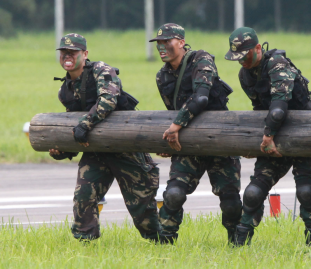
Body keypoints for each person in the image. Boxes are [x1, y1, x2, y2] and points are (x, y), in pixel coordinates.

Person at [49, 33, 163, 241]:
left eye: (73, 52)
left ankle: (162, 243)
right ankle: (87, 247)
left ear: (84, 54)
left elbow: (109, 99)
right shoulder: (65, 90)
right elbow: (76, 132)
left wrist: (84, 125)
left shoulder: (101, 70)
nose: (67, 56)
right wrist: (63, 150)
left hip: (125, 148)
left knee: (142, 210)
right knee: (83, 196)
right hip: (96, 152)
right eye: (63, 52)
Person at [225, 27, 311, 246]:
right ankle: (240, 243)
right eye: (237, 58)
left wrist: (267, 136)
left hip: (302, 133)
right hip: (274, 135)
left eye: (245, 55)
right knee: (253, 192)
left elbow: (279, 106)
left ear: (258, 48)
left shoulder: (278, 65)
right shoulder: (245, 74)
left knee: (306, 190)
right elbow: (260, 109)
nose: (241, 61)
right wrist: (255, 142)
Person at [150, 23, 242, 245]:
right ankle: (165, 245)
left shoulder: (201, 60)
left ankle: (237, 244)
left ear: (181, 43)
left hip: (219, 140)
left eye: (167, 42)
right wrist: (169, 139)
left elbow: (201, 97)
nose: (161, 47)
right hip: (189, 144)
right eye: (159, 43)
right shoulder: (162, 76)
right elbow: (173, 111)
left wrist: (175, 126)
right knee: (173, 194)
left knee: (230, 200)